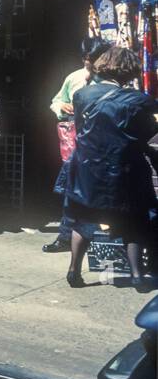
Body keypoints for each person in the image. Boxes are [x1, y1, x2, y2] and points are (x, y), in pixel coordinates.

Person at [62, 46, 158, 292]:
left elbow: (85, 128)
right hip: (124, 171)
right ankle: (137, 276)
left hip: (87, 171)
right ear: (129, 72)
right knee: (134, 220)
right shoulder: (139, 100)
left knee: (83, 220)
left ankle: (74, 270)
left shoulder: (82, 96)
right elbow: (147, 133)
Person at [45, 38, 107, 253]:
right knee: (72, 189)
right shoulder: (74, 78)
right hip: (76, 143)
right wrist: (61, 106)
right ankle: (65, 237)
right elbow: (55, 101)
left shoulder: (110, 81)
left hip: (101, 142)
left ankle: (97, 240)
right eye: (89, 59)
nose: (92, 63)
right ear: (84, 58)